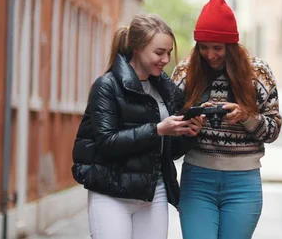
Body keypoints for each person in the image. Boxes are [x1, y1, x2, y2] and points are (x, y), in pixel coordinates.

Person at [71, 14, 204, 239]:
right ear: (137, 48)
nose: (165, 59)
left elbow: (170, 151)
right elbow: (106, 142)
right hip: (110, 193)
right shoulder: (106, 86)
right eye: (159, 52)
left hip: (154, 192)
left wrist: (190, 133)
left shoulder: (167, 89)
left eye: (169, 53)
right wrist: (158, 130)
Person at [171, 0, 282, 239]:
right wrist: (190, 125)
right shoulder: (184, 72)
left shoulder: (259, 73)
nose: (210, 55)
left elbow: (273, 129)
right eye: (204, 47)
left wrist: (247, 116)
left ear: (231, 47)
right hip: (197, 179)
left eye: (218, 48)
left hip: (243, 183)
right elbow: (169, 127)